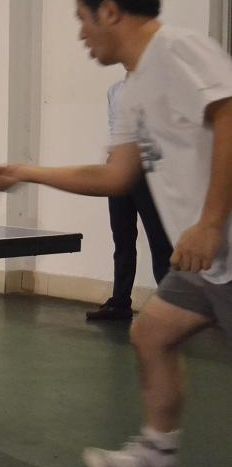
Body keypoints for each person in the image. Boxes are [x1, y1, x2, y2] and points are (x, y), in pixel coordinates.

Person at [0, 0, 232, 467]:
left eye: (82, 19)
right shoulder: (131, 91)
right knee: (150, 334)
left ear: (110, 11)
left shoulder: (180, 49)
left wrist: (211, 222)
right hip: (203, 262)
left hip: (220, 245)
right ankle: (157, 464)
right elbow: (115, 176)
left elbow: (230, 118)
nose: (81, 35)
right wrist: (26, 172)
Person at [87, 76, 173, 320]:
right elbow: (114, 129)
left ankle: (170, 306)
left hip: (148, 173)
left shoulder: (157, 86)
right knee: (122, 238)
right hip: (118, 172)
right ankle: (120, 302)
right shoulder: (114, 91)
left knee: (159, 242)